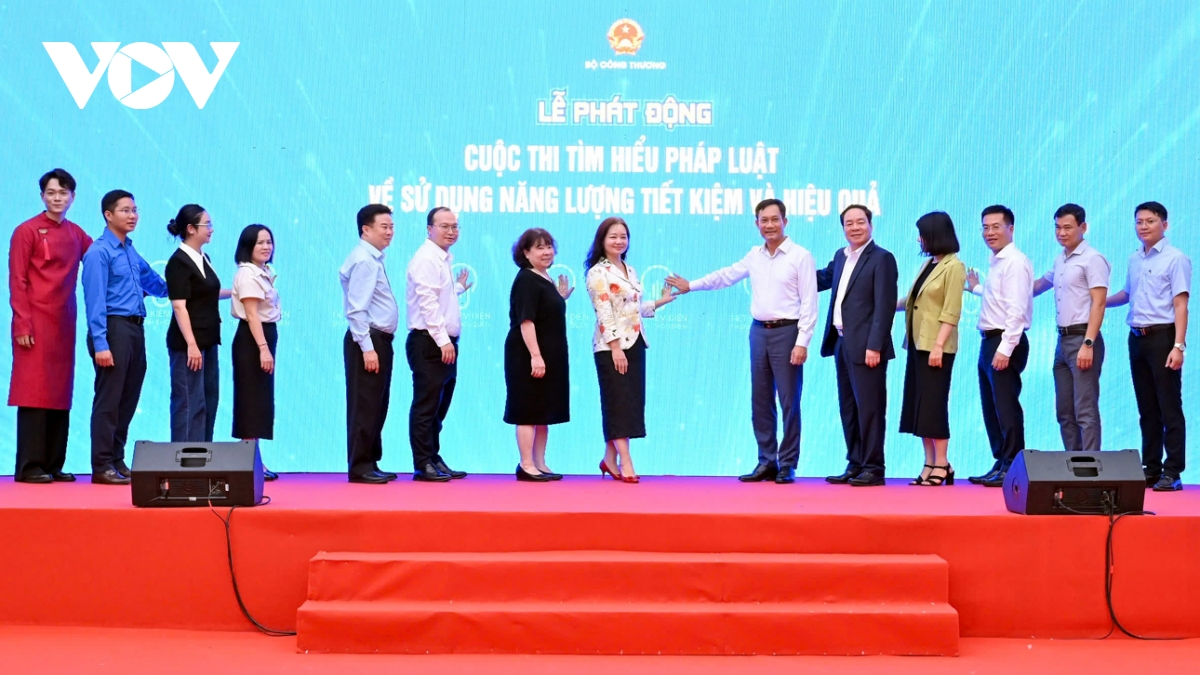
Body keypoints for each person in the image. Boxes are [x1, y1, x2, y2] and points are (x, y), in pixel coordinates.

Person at [666, 199, 818, 484]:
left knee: (789, 401)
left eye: (775, 219)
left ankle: (787, 463)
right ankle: (766, 461)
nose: (769, 225)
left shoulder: (801, 256)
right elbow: (725, 276)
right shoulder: (754, 255)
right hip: (758, 332)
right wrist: (692, 285)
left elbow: (810, 303)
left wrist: (802, 341)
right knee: (760, 399)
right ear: (756, 224)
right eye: (764, 220)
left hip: (788, 333)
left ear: (785, 221)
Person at [8, 169, 93, 483]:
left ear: (73, 197)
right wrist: (22, 324)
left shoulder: (75, 233)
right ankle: (30, 466)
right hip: (34, 322)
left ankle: (54, 463)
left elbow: (100, 258)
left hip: (63, 323)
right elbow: (17, 281)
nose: (57, 198)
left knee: (59, 391)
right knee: (34, 392)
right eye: (51, 193)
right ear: (42, 196)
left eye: (63, 193)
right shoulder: (26, 231)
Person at [81, 190, 169, 485]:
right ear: (108, 215)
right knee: (109, 399)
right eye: (125, 210)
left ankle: (116, 458)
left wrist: (190, 285)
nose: (133, 216)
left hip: (135, 329)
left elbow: (156, 285)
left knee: (128, 398)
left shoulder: (130, 250)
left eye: (135, 210)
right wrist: (101, 343)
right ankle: (101, 464)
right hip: (112, 329)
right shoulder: (98, 252)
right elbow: (94, 301)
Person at [1105, 202, 1190, 492]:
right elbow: (1127, 294)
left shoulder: (1176, 258)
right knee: (1147, 408)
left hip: (1163, 337)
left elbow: (1181, 305)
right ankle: (1151, 468)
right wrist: (1098, 302)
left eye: (1150, 221)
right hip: (1137, 338)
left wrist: (1178, 346)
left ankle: (1173, 471)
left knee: (1169, 406)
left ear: (1164, 225)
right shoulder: (1134, 259)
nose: (1143, 226)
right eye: (1139, 221)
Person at [586, 217, 676, 483]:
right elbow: (604, 312)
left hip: (635, 343)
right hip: (611, 347)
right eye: (613, 236)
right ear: (602, 240)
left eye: (623, 236)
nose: (619, 241)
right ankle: (626, 461)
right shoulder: (597, 272)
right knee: (617, 403)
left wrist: (660, 301)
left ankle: (609, 458)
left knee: (629, 403)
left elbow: (631, 309)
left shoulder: (630, 269)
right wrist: (615, 348)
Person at [815, 204, 899, 487]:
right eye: (849, 223)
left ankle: (874, 467)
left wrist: (875, 346)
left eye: (860, 222)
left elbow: (885, 307)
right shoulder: (841, 256)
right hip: (841, 342)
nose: (855, 227)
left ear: (870, 225)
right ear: (843, 228)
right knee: (848, 407)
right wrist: (789, 271)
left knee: (870, 408)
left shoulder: (882, 259)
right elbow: (820, 279)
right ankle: (855, 463)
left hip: (867, 348)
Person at [965, 205, 1034, 488]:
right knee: (991, 406)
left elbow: (1017, 309)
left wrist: (1005, 348)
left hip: (1005, 340)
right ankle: (1001, 460)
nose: (989, 232)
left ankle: (1013, 465)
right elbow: (997, 298)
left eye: (996, 226)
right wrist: (975, 288)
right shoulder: (997, 262)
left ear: (1011, 229)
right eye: (985, 227)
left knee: (1006, 406)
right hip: (989, 340)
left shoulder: (1015, 262)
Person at [1032, 203, 1109, 452]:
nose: (1061, 233)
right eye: (1057, 227)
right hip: (1062, 342)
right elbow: (1036, 287)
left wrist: (1088, 342)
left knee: (1085, 409)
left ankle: (1091, 465)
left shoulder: (1093, 259)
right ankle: (1074, 464)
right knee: (1064, 411)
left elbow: (1099, 303)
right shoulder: (1060, 259)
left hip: (1083, 338)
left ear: (1083, 227)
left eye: (1067, 227)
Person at [896, 212, 965, 486]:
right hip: (917, 343)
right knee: (920, 406)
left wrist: (938, 345)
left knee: (935, 405)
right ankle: (928, 462)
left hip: (937, 347)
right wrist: (885, 304)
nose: (919, 239)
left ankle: (942, 463)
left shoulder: (954, 266)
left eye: (922, 234)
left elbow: (951, 311)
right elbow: (913, 300)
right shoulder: (928, 264)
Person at [405, 207, 471, 482]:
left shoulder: (441, 259)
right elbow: (428, 304)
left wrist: (458, 288)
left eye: (454, 226)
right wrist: (443, 340)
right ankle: (423, 463)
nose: (451, 231)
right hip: (430, 342)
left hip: (443, 343)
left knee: (438, 407)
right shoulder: (426, 259)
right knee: (426, 406)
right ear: (429, 229)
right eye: (444, 226)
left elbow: (440, 296)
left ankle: (433, 456)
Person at [503, 228, 573, 482]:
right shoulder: (526, 280)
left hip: (550, 354)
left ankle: (540, 462)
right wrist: (535, 355)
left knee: (544, 411)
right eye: (539, 247)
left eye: (549, 246)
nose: (546, 252)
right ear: (526, 253)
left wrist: (560, 297)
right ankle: (526, 464)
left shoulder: (544, 277)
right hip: (527, 355)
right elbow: (527, 321)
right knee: (528, 410)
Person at [341, 204, 401, 484]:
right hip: (368, 339)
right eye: (383, 227)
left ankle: (370, 461)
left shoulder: (373, 258)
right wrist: (367, 348)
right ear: (366, 229)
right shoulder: (364, 260)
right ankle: (360, 466)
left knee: (377, 403)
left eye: (391, 227)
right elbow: (356, 310)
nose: (389, 232)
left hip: (378, 339)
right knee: (365, 404)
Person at [165, 205, 230, 443]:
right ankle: (184, 455)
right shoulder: (178, 262)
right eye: (207, 225)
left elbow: (208, 294)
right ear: (191, 229)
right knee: (189, 402)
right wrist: (191, 344)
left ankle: (203, 453)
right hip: (188, 345)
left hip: (209, 339)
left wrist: (239, 292)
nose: (211, 229)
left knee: (208, 400)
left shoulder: (204, 258)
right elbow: (179, 306)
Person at [230, 224, 280, 481]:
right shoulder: (248, 274)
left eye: (268, 242)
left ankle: (254, 459)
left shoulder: (263, 272)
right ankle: (248, 462)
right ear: (247, 246)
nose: (266, 246)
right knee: (251, 400)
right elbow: (251, 314)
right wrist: (263, 348)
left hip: (263, 335)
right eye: (260, 242)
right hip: (252, 340)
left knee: (259, 400)